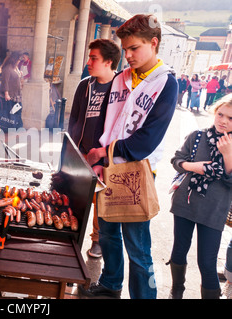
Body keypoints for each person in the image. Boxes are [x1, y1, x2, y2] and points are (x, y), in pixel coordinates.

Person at [85, 14, 178, 299]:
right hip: (107, 170)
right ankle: (111, 284)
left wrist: (106, 151)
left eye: (134, 48)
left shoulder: (166, 83)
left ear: (153, 43)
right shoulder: (121, 77)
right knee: (109, 235)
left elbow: (148, 138)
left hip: (137, 172)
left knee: (138, 247)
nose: (127, 55)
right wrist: (101, 162)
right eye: (124, 49)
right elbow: (105, 122)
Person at [168, 93, 232, 299]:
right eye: (220, 114)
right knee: (179, 251)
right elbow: (177, 159)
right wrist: (191, 166)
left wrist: (228, 155)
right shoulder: (197, 136)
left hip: (214, 210)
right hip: (186, 202)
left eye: (231, 118)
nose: (223, 121)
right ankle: (177, 290)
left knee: (206, 262)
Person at [68, 39, 121, 258]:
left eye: (93, 58)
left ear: (109, 62)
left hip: (106, 156)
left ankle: (97, 240)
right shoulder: (85, 85)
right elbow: (74, 119)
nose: (88, 62)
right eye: (89, 57)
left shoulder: (122, 87)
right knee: (76, 198)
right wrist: (71, 150)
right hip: (82, 153)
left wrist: (107, 153)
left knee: (101, 202)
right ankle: (71, 236)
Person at [0, 51, 23, 128]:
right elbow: (5, 81)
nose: (19, 61)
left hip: (16, 95)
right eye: (18, 59)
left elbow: (16, 77)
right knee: (11, 113)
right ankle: (11, 128)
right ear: (14, 59)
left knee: (17, 110)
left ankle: (16, 127)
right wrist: (6, 94)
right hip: (10, 96)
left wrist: (20, 74)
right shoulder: (7, 68)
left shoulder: (15, 67)